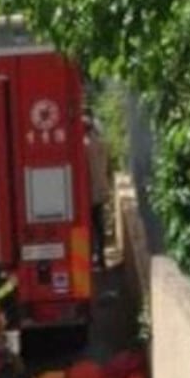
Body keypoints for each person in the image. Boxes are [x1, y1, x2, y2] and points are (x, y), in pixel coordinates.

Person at [83, 110, 113, 269]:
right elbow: (109, 168)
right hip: (100, 191)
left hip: (85, 194)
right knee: (99, 226)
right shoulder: (103, 143)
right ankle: (101, 258)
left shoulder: (83, 146)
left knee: (86, 228)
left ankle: (88, 258)